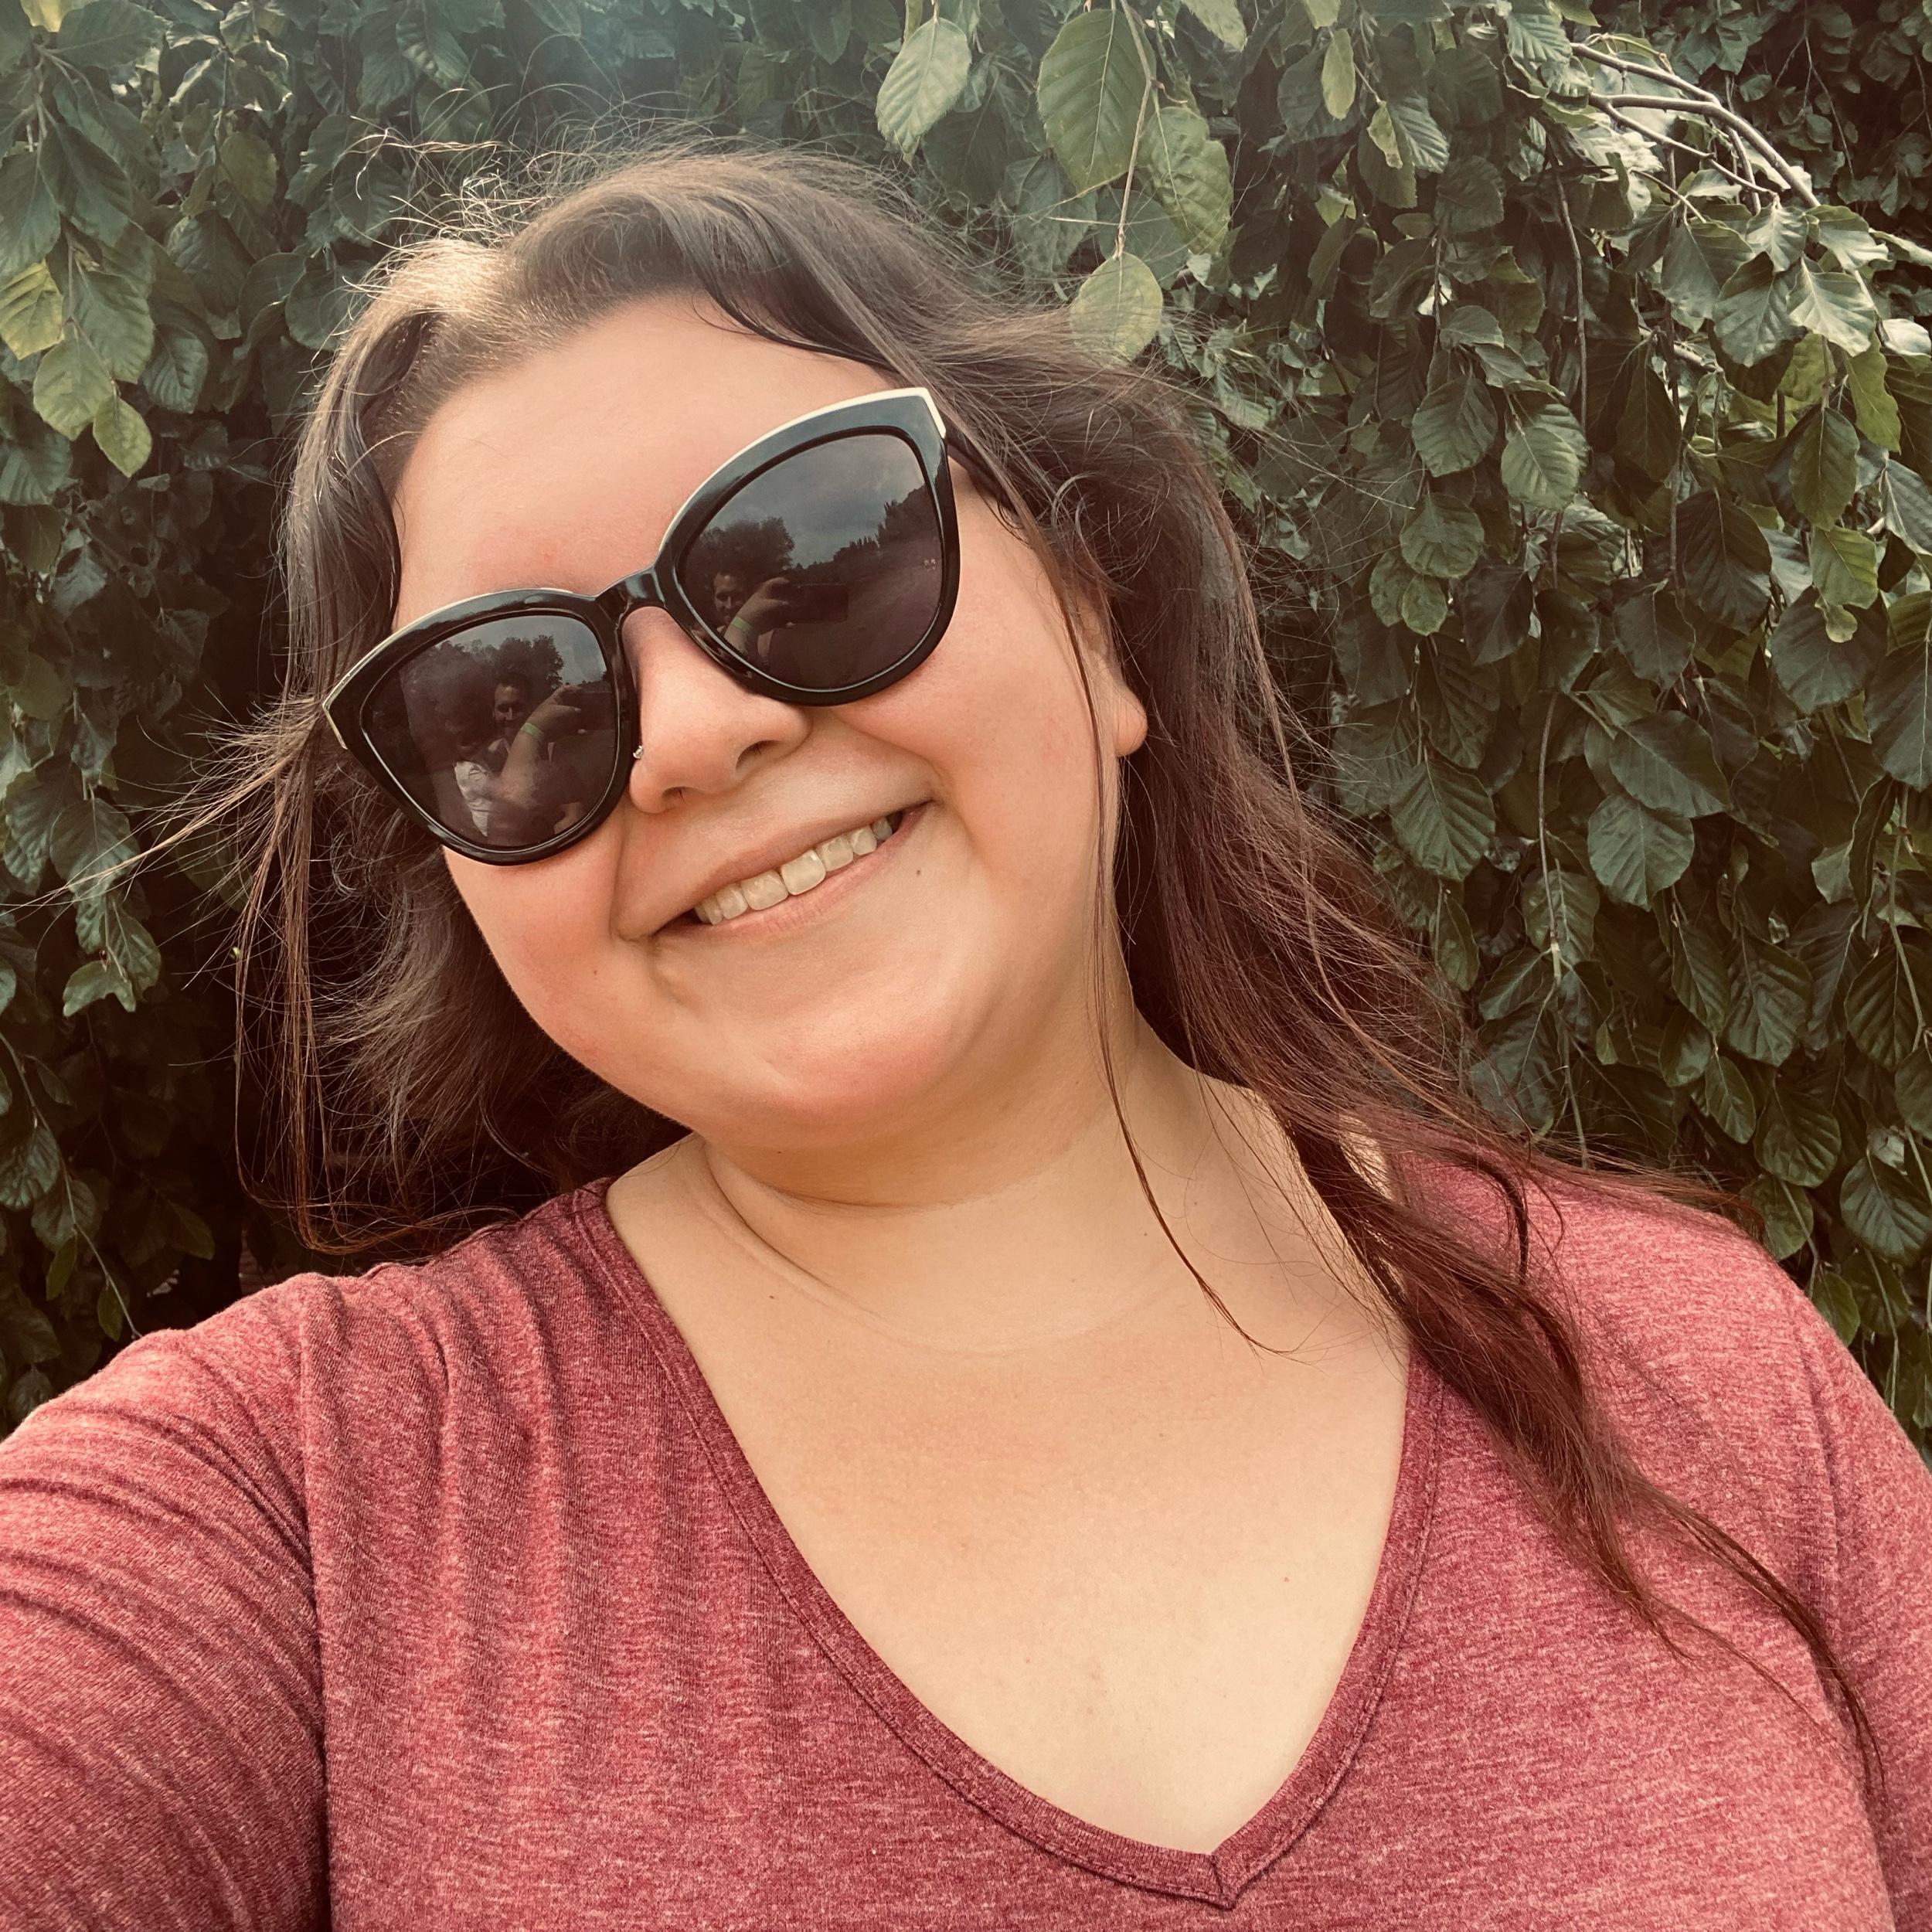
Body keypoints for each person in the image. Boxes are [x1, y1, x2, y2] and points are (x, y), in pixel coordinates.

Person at [0, 136, 1926, 1930]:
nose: (692, 736)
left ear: (1096, 619)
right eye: (509, 701)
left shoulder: (1702, 1372)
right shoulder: (292, 1503)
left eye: (813, 551)